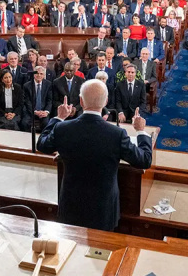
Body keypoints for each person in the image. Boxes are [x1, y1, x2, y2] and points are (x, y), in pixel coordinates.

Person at [37, 79, 152, 231]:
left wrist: (59, 118)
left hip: (71, 204)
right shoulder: (116, 134)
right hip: (103, 209)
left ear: (81, 101)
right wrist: (141, 131)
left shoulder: (62, 129)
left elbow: (42, 145)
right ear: (106, 101)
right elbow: (144, 160)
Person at [22, 66, 53, 131]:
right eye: (37, 73)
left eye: (41, 74)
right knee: (25, 123)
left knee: (46, 123)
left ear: (44, 75)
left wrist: (46, 112)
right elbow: (27, 102)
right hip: (31, 111)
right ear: (33, 74)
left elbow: (49, 100)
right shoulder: (27, 86)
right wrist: (35, 111)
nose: (39, 75)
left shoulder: (48, 84)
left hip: (43, 111)